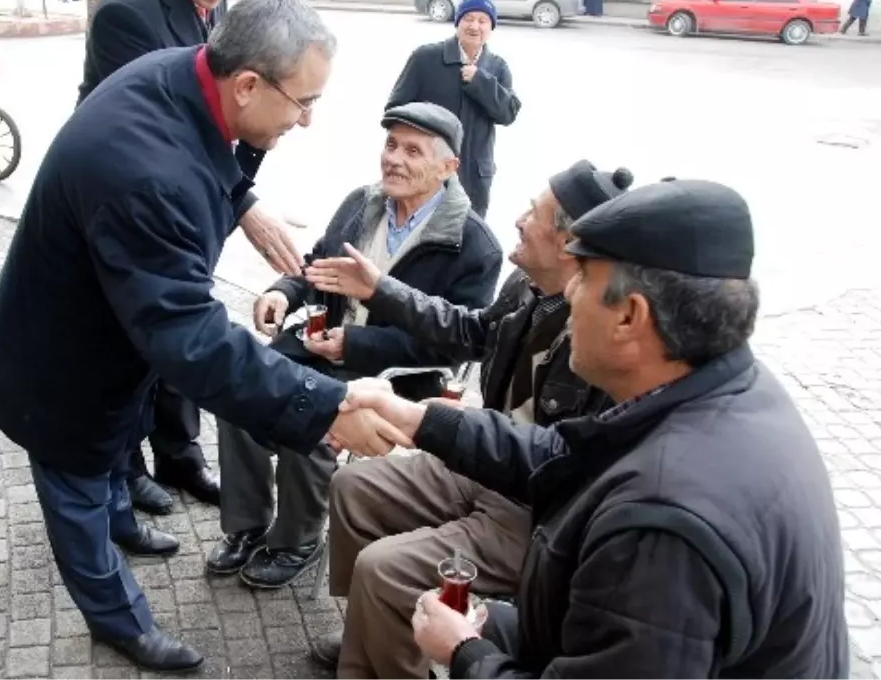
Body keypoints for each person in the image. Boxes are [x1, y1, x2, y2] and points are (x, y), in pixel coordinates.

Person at [0, 0, 410, 673]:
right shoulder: (145, 170)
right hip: (58, 364)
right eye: (303, 103)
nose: (304, 122)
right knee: (75, 487)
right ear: (246, 83)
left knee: (106, 458)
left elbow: (212, 178)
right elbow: (192, 338)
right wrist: (328, 408)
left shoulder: (183, 79)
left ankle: (121, 519)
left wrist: (243, 199)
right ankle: (118, 619)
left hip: (111, 335)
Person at [344, 178, 849, 679]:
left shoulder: (660, 524)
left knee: (413, 591)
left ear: (630, 317)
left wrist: (465, 654)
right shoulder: (726, 389)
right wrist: (419, 417)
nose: (567, 294)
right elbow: (562, 452)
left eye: (583, 277)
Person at [302, 160, 633, 679]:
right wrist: (380, 289)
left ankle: (385, 650)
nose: (519, 220)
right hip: (485, 459)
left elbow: (564, 460)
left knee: (383, 567)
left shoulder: (602, 334)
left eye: (534, 213)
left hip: (537, 506)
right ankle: (371, 629)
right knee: (352, 485)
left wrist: (443, 423)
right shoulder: (526, 285)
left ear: (571, 245)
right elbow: (470, 329)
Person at [76, 0, 304, 517]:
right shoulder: (129, 15)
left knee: (186, 315)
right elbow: (178, 136)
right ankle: (123, 472)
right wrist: (247, 205)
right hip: (131, 208)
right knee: (140, 335)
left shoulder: (206, 3)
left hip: (186, 201)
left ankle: (179, 455)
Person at [209, 102, 504, 591]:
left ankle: (298, 540)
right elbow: (317, 264)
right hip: (321, 344)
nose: (394, 159)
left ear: (448, 167)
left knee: (313, 418)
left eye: (413, 150)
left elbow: (454, 347)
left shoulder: (473, 245)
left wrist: (357, 344)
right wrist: (283, 291)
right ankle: (246, 525)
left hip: (393, 377)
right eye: (391, 145)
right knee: (242, 392)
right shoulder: (362, 203)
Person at [388, 0, 520, 217]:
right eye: (468, 18)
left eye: (482, 21)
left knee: (466, 239)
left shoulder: (497, 68)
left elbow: (507, 113)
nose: (475, 26)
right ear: (457, 22)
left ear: (491, 27)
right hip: (425, 169)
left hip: (474, 175)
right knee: (417, 228)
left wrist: (479, 81)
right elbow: (395, 109)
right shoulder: (426, 58)